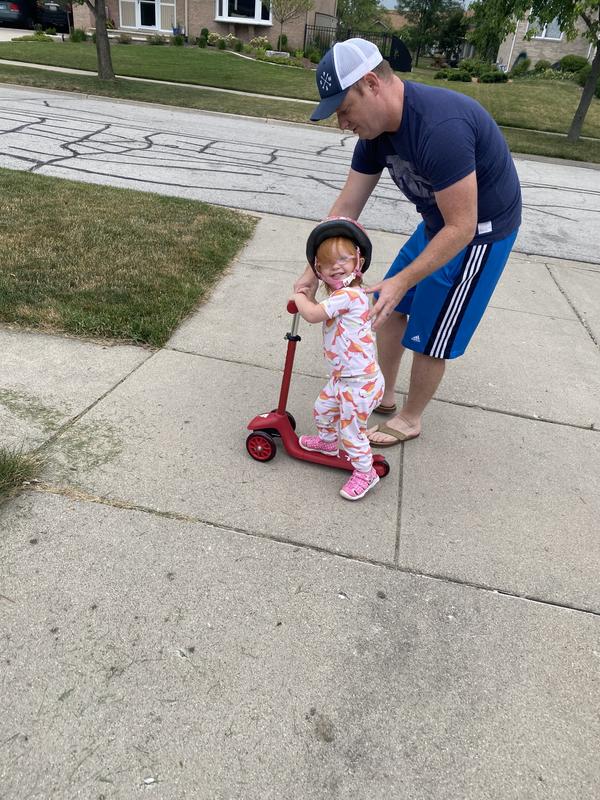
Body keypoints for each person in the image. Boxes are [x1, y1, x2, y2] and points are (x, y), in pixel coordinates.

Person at [295, 38, 522, 447]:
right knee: (391, 305)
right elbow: (347, 206)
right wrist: (311, 271)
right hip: (440, 222)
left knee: (433, 330)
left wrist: (402, 278)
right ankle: (382, 392)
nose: (342, 124)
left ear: (370, 84)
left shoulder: (440, 128)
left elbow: (463, 227)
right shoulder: (375, 134)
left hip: (480, 231)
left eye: (344, 110)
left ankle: (411, 417)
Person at [291, 218, 385, 501]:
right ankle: (327, 443)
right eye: (329, 262)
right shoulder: (341, 296)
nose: (337, 266)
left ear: (359, 260)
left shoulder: (351, 295)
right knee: (322, 409)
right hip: (343, 379)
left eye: (344, 258)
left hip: (360, 385)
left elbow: (312, 314)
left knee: (353, 432)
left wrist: (298, 296)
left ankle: (365, 473)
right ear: (319, 270)